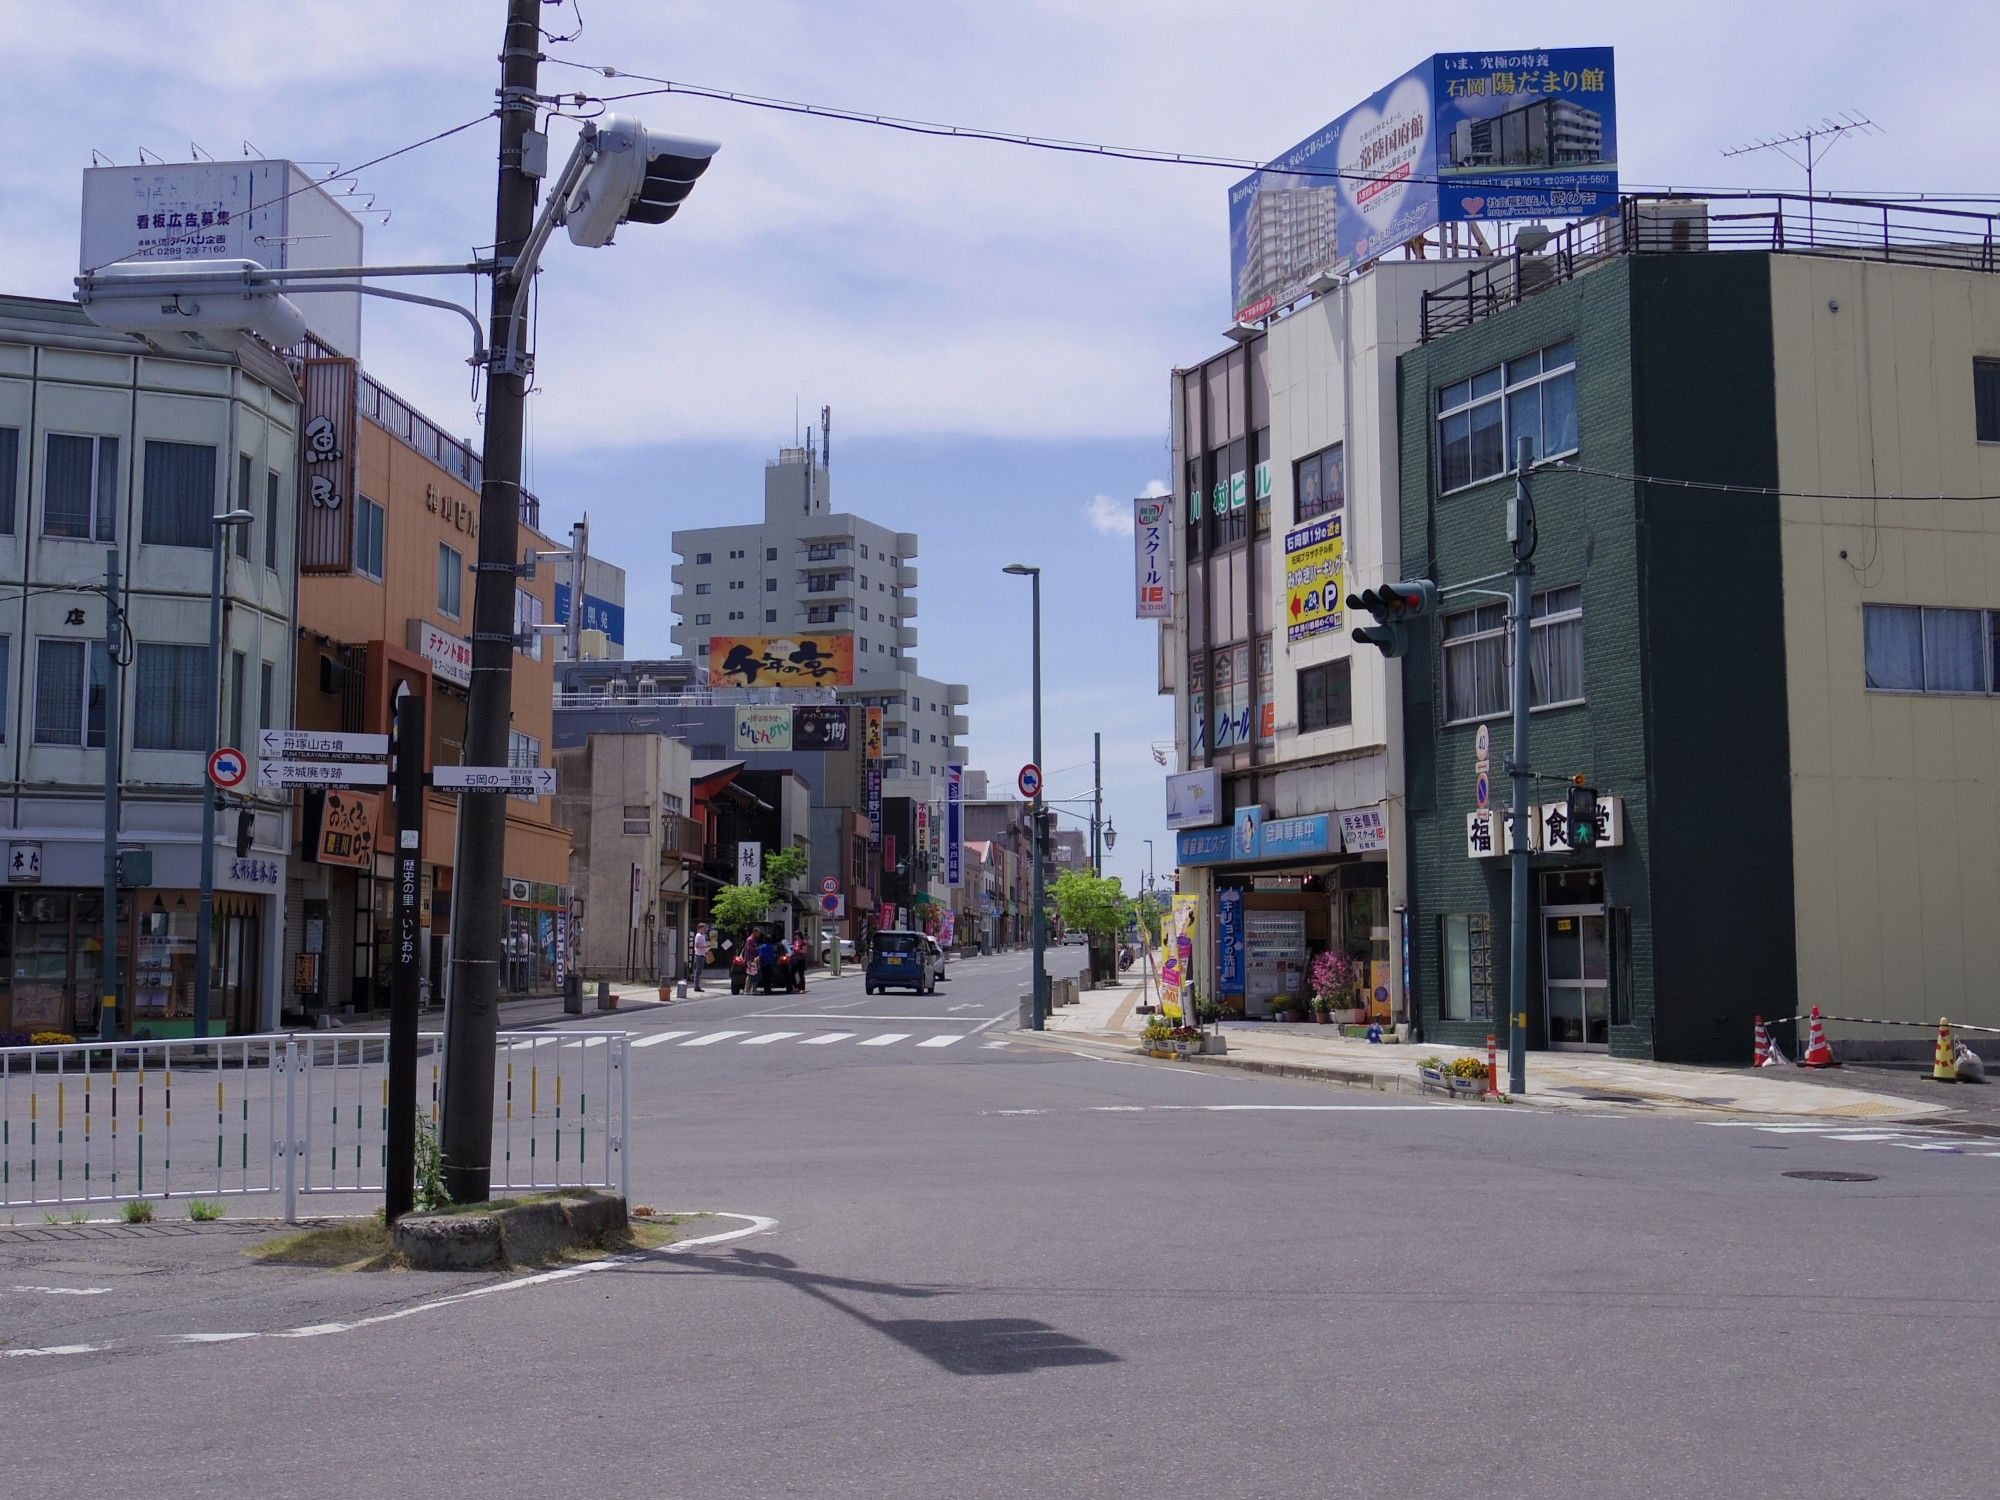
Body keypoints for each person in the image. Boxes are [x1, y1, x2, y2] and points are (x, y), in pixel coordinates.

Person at [691, 922, 712, 993]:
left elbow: (701, 945)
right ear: (700, 928)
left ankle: (697, 986)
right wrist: (705, 947)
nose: (705, 929)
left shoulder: (703, 935)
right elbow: (697, 945)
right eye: (704, 928)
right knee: (698, 971)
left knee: (699, 971)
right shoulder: (698, 935)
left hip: (702, 954)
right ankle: (696, 987)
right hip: (699, 955)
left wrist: (706, 950)